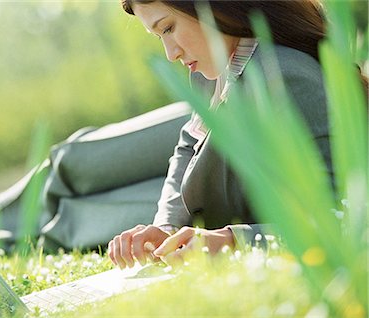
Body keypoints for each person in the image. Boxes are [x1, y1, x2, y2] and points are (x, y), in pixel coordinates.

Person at [108, 0, 335, 269]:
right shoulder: (216, 66)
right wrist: (167, 228)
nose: (170, 54)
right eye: (159, 36)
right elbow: (189, 145)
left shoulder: (285, 78)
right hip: (202, 202)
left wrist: (233, 241)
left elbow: (339, 217)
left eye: (168, 28)